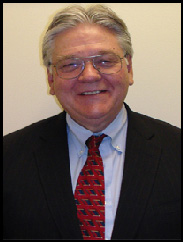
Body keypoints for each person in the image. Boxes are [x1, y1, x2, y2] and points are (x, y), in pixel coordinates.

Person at [3, 4, 181, 240]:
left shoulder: (176, 151)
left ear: (129, 68)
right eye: (70, 64)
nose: (89, 75)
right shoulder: (9, 158)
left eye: (105, 61)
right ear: (50, 78)